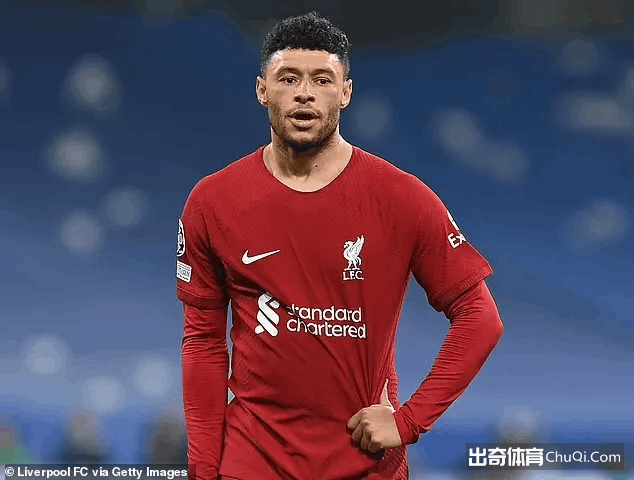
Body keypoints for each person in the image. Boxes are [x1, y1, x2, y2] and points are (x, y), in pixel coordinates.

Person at [176, 11, 504, 480]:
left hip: (365, 466)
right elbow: (203, 343)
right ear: (262, 89)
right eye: (288, 78)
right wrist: (204, 471)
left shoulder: (402, 197)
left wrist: (409, 421)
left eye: (322, 79)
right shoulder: (213, 201)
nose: (304, 93)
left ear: (346, 92)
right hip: (251, 464)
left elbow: (480, 318)